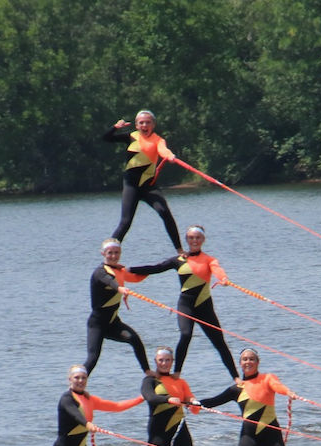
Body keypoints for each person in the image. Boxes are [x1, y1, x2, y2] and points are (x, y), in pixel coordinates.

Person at [130, 225, 239, 378]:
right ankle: (176, 372)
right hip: (185, 305)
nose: (194, 240)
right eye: (191, 237)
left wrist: (223, 278)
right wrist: (128, 270)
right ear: (186, 239)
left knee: (219, 342)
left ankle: (236, 378)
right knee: (186, 334)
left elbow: (217, 269)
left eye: (198, 237)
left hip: (204, 306)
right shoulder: (178, 260)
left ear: (203, 240)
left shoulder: (209, 260)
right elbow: (156, 268)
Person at [103, 110, 183, 254]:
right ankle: (108, 253)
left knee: (164, 212)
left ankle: (180, 251)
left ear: (153, 125)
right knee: (125, 222)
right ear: (136, 125)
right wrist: (115, 127)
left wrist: (170, 156)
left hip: (148, 186)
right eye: (141, 122)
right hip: (131, 186)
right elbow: (106, 138)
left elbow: (163, 150)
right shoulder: (130, 137)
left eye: (148, 122)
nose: (144, 125)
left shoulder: (158, 140)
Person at [84, 238, 152, 375]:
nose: (114, 256)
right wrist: (120, 289)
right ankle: (75, 385)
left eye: (117, 252)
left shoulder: (120, 271)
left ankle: (148, 372)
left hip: (113, 323)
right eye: (110, 253)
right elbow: (109, 281)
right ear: (103, 253)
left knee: (134, 339)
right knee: (93, 358)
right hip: (97, 324)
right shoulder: (100, 272)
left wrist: (158, 268)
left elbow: (136, 278)